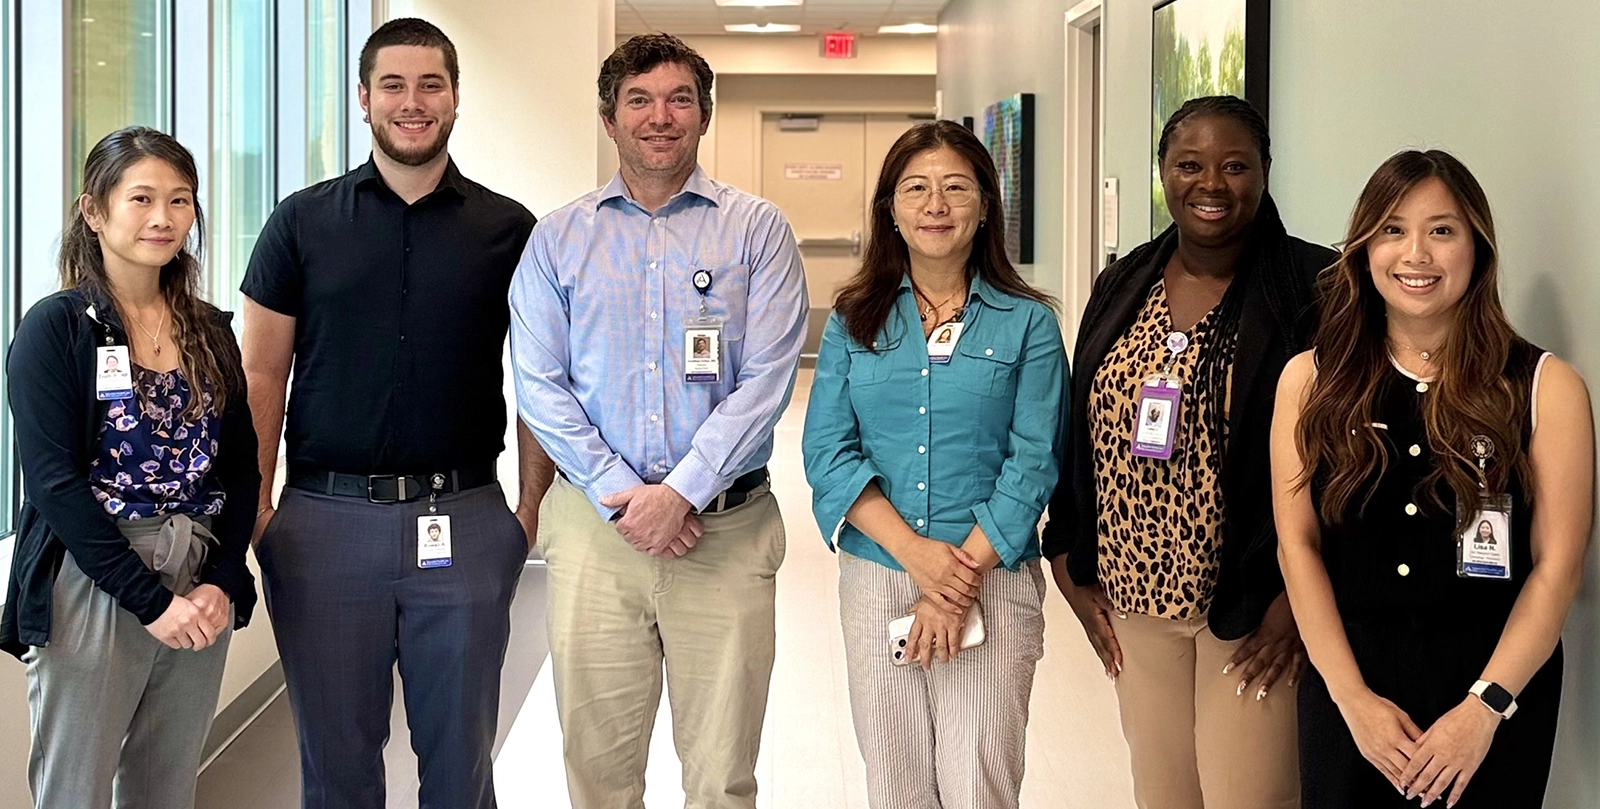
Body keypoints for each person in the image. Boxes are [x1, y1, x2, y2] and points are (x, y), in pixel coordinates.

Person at [239, 18, 544, 808]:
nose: (413, 103)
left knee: (462, 762)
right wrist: (260, 507)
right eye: (395, 86)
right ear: (365, 100)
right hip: (322, 522)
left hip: (468, 518)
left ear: (453, 98)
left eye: (430, 84)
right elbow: (262, 372)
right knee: (336, 765)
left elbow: (542, 374)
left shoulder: (509, 230)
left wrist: (529, 509)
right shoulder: (299, 223)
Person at [509, 33, 806, 808]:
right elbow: (538, 383)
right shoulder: (558, 238)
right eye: (639, 100)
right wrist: (622, 490)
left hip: (727, 536)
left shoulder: (757, 231)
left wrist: (681, 492)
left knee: (721, 776)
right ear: (610, 119)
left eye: (679, 99)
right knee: (599, 772)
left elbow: (768, 379)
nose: (660, 117)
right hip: (595, 537)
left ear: (704, 115)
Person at [1271, 150, 1592, 809]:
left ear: (1477, 245)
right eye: (1392, 228)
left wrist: (1485, 708)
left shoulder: (1544, 387)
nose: (1416, 253)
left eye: (1442, 230)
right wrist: (1352, 701)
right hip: (1352, 694)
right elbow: (1297, 545)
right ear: (1364, 247)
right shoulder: (1311, 380)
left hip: (1494, 699)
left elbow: (1557, 568)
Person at [1041, 96, 1336, 809]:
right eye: (1189, 164)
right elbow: (1079, 425)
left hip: (1253, 602)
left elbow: (1343, 455)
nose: (1211, 183)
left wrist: (1297, 602)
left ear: (1265, 172)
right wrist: (1066, 551)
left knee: (1249, 795)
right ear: (1163, 173)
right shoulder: (1124, 281)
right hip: (1133, 593)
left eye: (1235, 165)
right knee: (1164, 793)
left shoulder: (1315, 288)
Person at [801, 120, 1066, 808]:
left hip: (992, 579)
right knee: (895, 786)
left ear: (984, 206)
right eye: (916, 188)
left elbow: (1033, 461)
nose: (936, 205)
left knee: (979, 786)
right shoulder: (854, 318)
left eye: (955, 188)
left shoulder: (1028, 322)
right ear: (891, 208)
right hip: (879, 575)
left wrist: (953, 580)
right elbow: (828, 450)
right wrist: (918, 558)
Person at [3, 126, 259, 808]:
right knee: (74, 789)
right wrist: (150, 601)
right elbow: (54, 484)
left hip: (197, 569)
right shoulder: (56, 328)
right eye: (141, 197)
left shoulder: (208, 328)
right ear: (94, 211)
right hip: (96, 574)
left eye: (180, 201)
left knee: (165, 786)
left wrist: (223, 579)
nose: (163, 218)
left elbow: (242, 468)